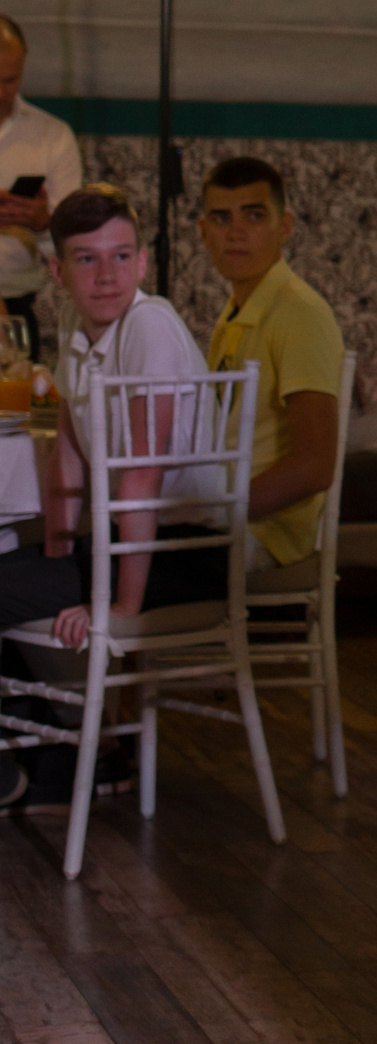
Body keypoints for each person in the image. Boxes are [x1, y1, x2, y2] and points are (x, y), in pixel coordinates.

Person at [0, 189, 226, 804]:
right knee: (11, 572)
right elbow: (68, 457)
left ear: (143, 262)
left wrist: (120, 607)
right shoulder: (78, 328)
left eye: (121, 256)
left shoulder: (148, 324)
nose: (107, 275)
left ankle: (55, 760)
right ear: (58, 271)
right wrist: (54, 562)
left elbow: (143, 475)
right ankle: (64, 757)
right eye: (87, 259)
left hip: (185, 553)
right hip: (126, 546)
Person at [199, 158, 343, 568]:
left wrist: (219, 512)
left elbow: (315, 466)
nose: (236, 232)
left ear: (285, 227)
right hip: (225, 515)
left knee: (113, 566)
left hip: (264, 533)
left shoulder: (298, 312)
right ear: (203, 232)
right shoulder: (234, 310)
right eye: (221, 218)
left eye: (254, 216)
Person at [0, 15, 82, 358]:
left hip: (18, 306)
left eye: (10, 80)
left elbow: (77, 245)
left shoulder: (53, 137)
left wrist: (43, 223)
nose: (1, 93)